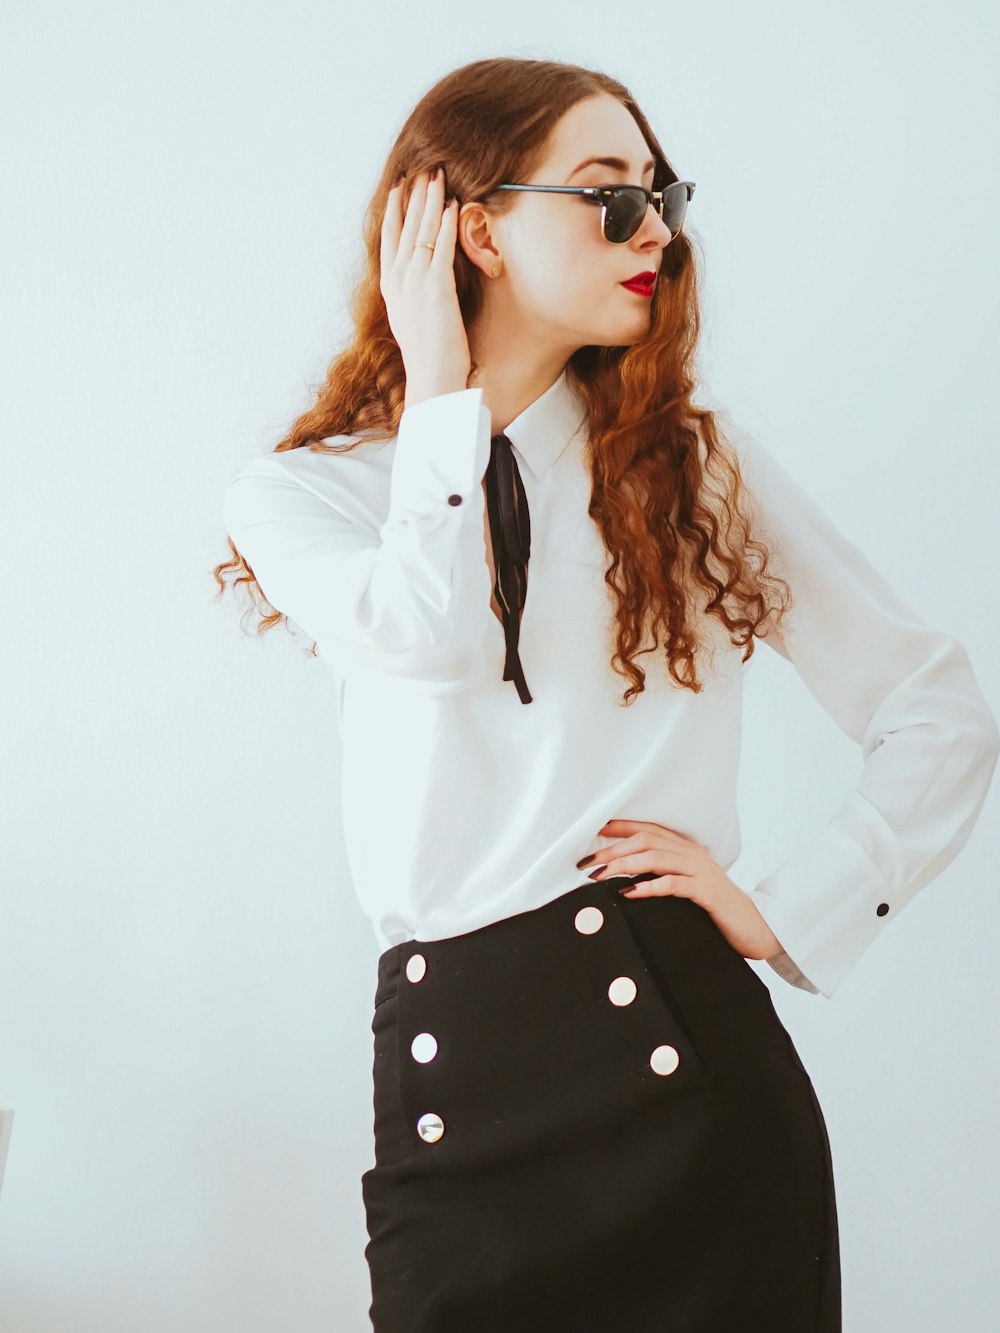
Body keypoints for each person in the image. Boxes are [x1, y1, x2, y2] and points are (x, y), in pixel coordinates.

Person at [213, 56, 999, 1333]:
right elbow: (433, 638)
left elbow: (937, 706)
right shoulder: (307, 494)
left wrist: (792, 908)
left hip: (685, 1066)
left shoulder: (696, 468)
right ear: (472, 227)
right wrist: (442, 398)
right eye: (604, 196)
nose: (656, 233)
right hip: (455, 1104)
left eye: (659, 196)